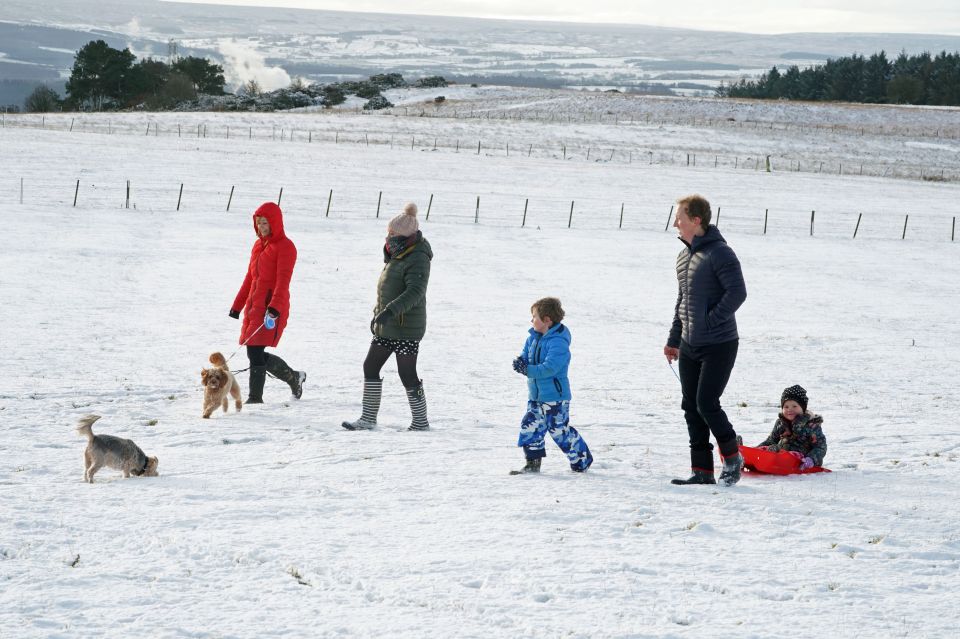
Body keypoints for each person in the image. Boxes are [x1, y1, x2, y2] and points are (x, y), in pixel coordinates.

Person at [663, 194, 747, 486]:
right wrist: (675, 338)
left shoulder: (721, 253)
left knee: (706, 403)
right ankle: (702, 471)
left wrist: (710, 320)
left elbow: (737, 293)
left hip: (719, 343)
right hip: (689, 343)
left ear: (695, 221)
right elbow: (682, 300)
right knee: (690, 405)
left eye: (680, 218)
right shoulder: (684, 255)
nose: (675, 223)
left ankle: (732, 457)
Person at [342, 203, 433, 431]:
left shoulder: (417, 256)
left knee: (407, 373)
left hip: (406, 327)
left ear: (405, 235)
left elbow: (415, 291)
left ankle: (420, 422)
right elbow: (387, 289)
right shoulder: (397, 254)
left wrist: (390, 311)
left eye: (393, 233)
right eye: (388, 232)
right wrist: (379, 314)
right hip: (388, 324)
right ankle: (368, 418)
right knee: (370, 366)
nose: (388, 236)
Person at [228, 202, 305, 404]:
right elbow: (250, 278)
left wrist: (274, 308)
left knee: (255, 350)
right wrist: (238, 305)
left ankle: (255, 398)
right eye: (259, 223)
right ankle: (294, 377)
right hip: (255, 305)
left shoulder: (286, 247)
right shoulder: (258, 246)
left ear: (275, 223)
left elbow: (283, 281)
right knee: (254, 350)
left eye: (265, 223)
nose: (262, 227)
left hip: (271, 306)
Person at [510, 297, 593, 474]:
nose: (531, 320)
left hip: (555, 397)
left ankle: (582, 459)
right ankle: (532, 463)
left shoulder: (558, 342)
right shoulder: (532, 338)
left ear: (547, 320)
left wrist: (528, 370)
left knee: (559, 431)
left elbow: (550, 368)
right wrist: (521, 363)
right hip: (535, 396)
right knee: (530, 426)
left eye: (534, 317)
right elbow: (526, 356)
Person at [741, 385, 827, 473]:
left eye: (794, 406)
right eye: (786, 407)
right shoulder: (781, 423)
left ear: (803, 408)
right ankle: (744, 454)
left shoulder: (811, 425)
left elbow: (820, 447)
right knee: (767, 448)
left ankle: (770, 456)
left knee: (788, 454)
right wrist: (757, 450)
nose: (790, 409)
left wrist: (811, 459)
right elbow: (771, 440)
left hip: (801, 460)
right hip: (779, 454)